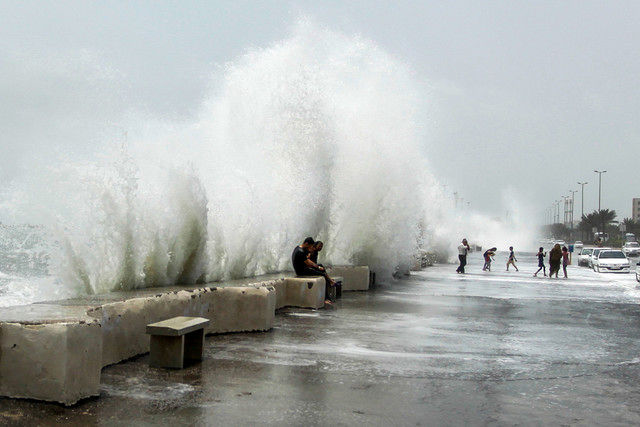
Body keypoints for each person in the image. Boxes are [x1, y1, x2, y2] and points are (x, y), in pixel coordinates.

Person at [291, 237, 336, 304]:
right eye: (310, 246)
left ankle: (330, 282)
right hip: (302, 271)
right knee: (323, 275)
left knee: (321, 269)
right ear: (306, 243)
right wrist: (318, 267)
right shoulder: (300, 252)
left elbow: (308, 261)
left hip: (303, 269)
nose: (310, 248)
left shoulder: (298, 248)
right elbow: (309, 263)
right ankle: (326, 298)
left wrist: (318, 267)